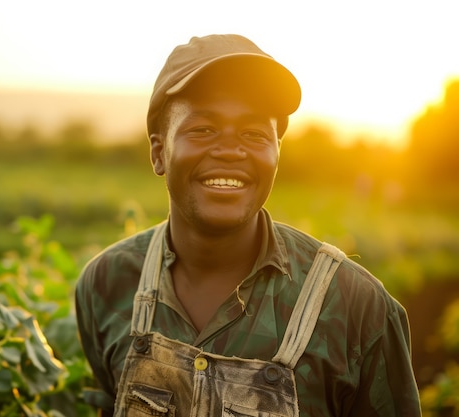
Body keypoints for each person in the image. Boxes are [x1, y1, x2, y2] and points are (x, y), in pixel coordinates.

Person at [75, 34, 421, 417]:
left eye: (254, 134)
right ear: (159, 152)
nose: (229, 150)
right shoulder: (106, 284)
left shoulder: (359, 309)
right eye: (203, 129)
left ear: (276, 153)